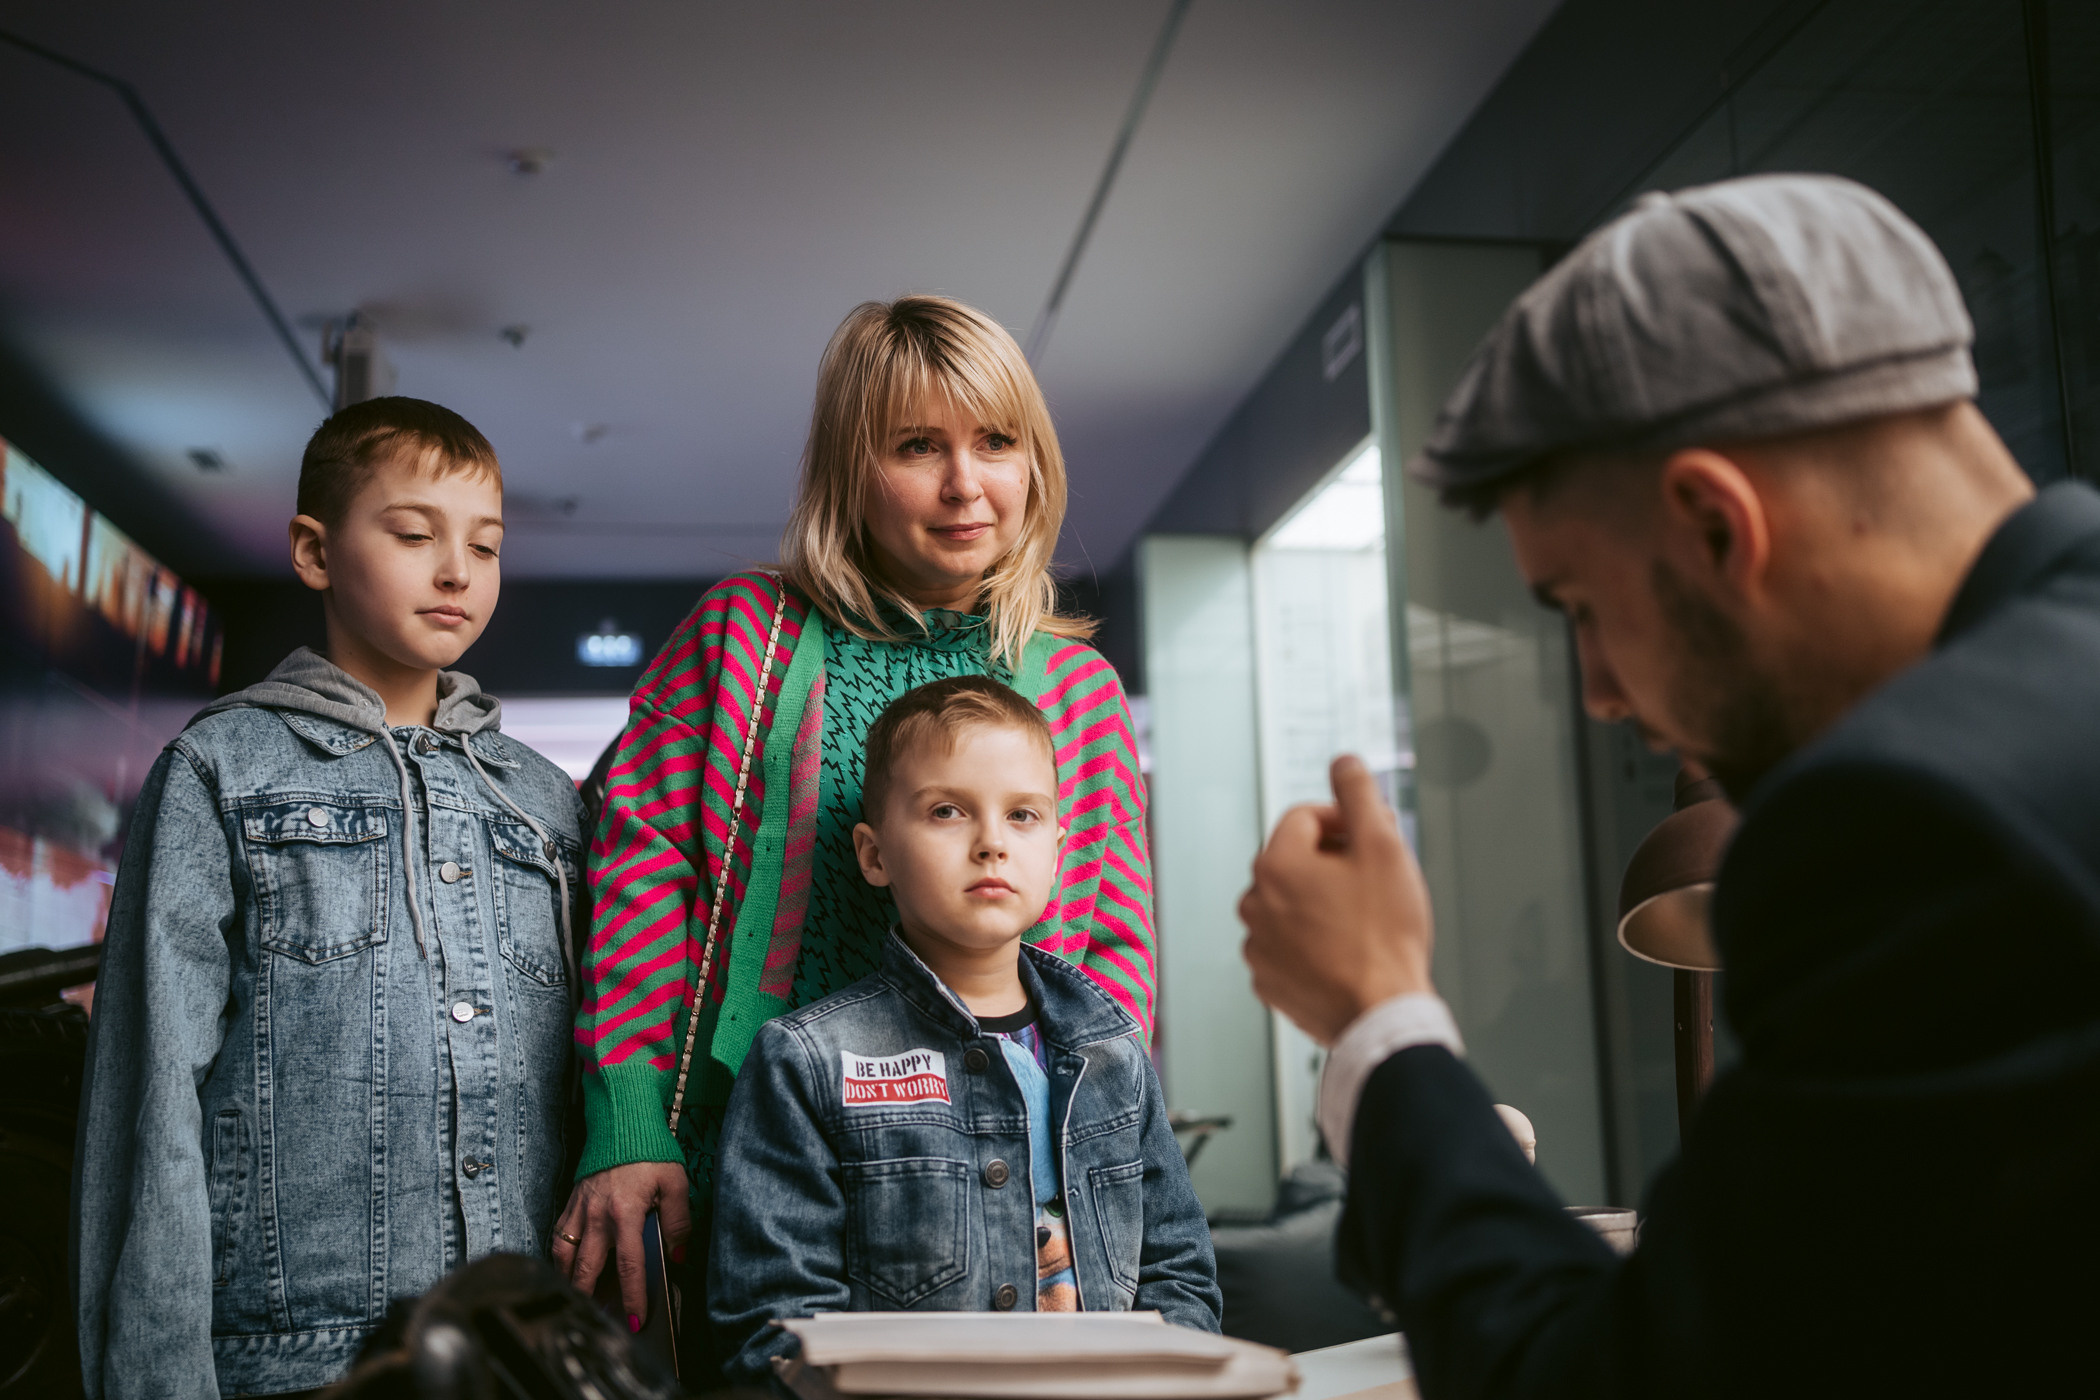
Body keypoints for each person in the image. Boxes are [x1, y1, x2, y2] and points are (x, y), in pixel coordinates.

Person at [1238, 173, 2100, 1397]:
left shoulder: (1924, 821)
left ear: (1712, 520)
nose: (1597, 689)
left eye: (1584, 607)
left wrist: (1379, 1015)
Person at [554, 297, 1156, 1358]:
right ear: (850, 468)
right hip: (744, 1175)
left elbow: (1111, 968)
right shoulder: (743, 635)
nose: (967, 483)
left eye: (997, 442)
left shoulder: (1081, 690)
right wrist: (628, 1119)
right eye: (919, 446)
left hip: (1003, 1194)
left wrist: (1082, 1184)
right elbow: (641, 878)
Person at [71, 398, 587, 1398]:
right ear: (313, 550)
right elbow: (150, 1109)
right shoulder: (219, 768)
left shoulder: (543, 799)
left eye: (484, 545)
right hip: (297, 1368)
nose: (456, 570)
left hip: (521, 1363)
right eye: (412, 532)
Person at [707, 677, 1217, 1385]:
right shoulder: (807, 1062)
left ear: (1058, 850)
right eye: (947, 811)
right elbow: (773, 1331)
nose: (992, 844)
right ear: (874, 854)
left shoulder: (1113, 1049)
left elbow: (1182, 1278)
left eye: (1023, 816)